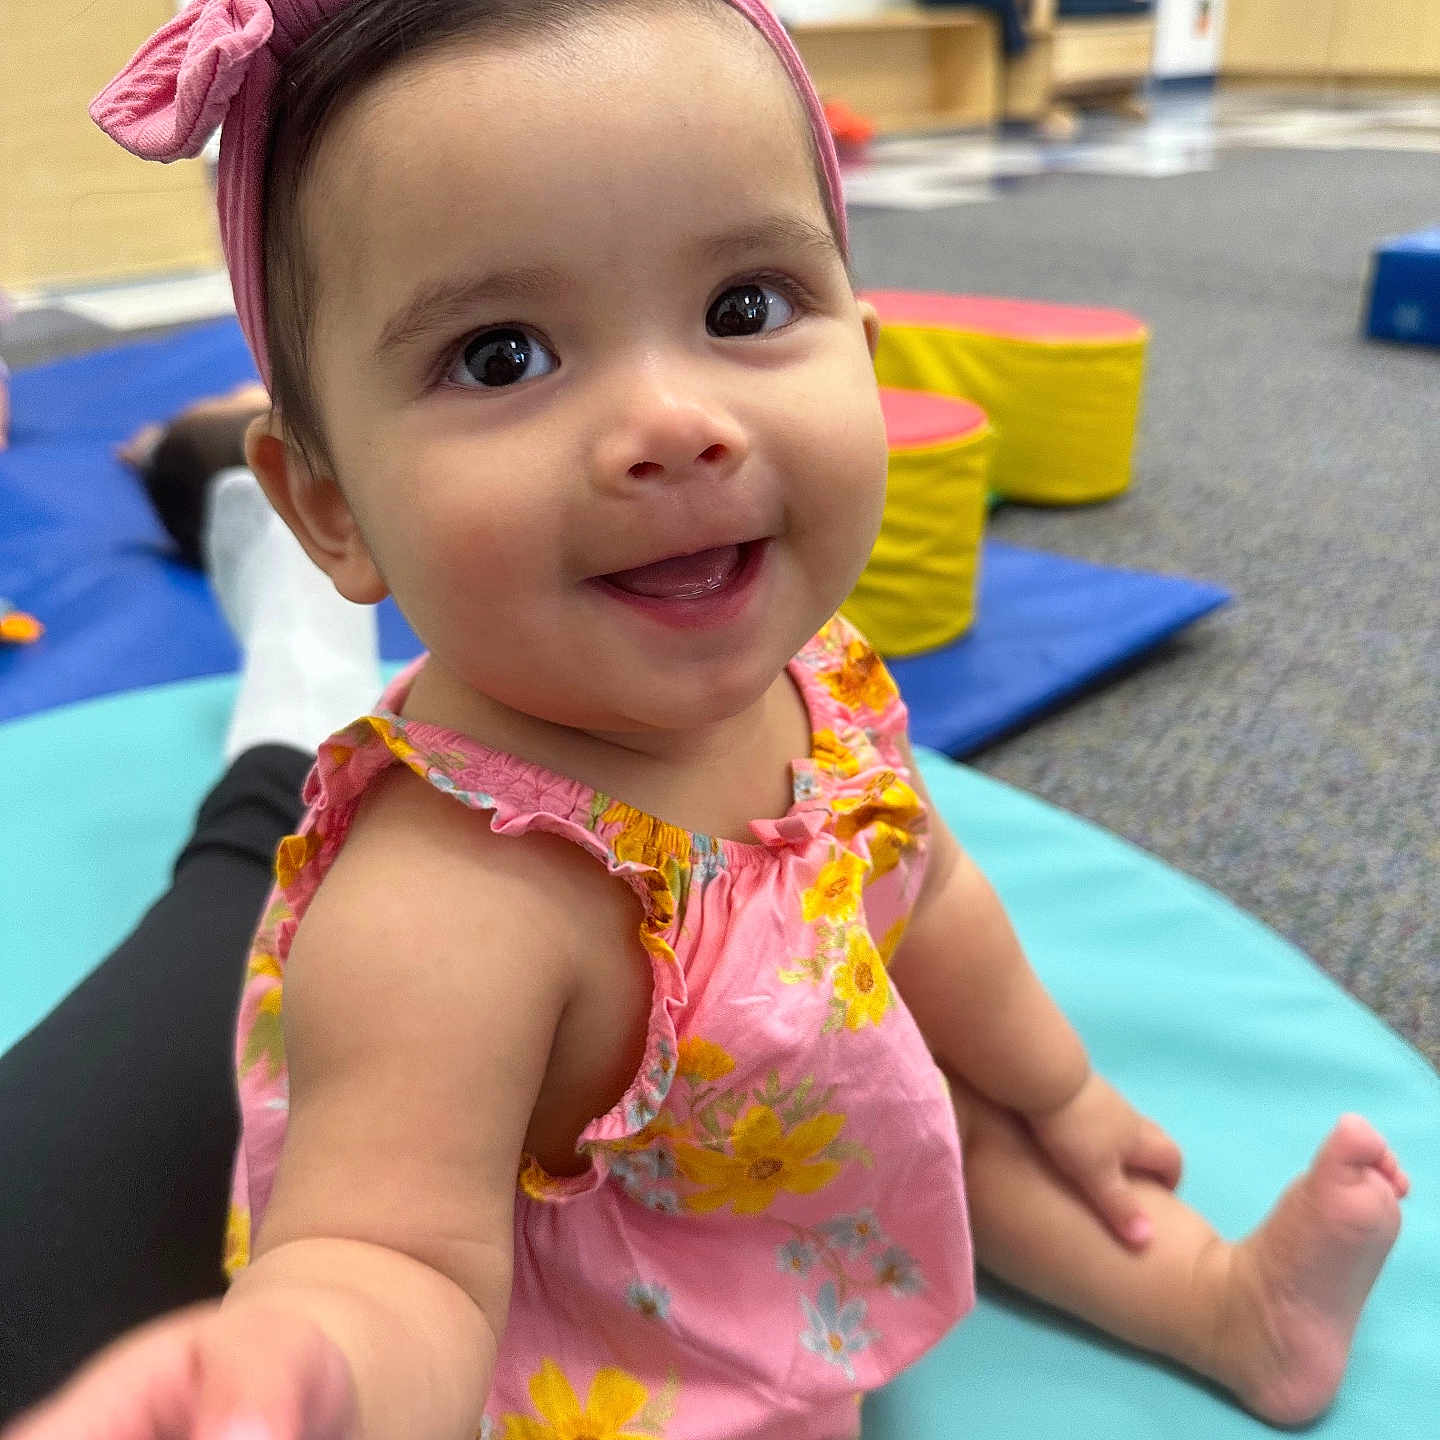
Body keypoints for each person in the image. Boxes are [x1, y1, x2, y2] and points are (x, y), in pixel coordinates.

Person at [6, 0, 1408, 1435]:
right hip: (621, 1345)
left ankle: (1228, 1306)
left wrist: (1063, 1092)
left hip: (794, 1160)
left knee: (961, 1115)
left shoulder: (826, 683)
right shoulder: (443, 907)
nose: (676, 423)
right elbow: (391, 1259)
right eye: (502, 355)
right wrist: (311, 1373)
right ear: (331, 509)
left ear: (866, 352)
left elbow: (929, 896)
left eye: (744, 308)